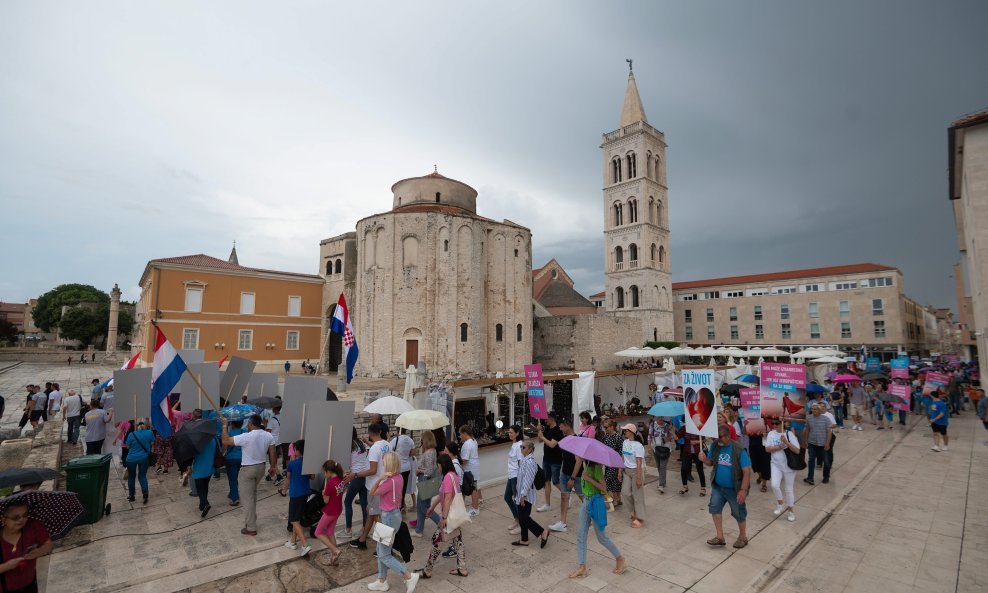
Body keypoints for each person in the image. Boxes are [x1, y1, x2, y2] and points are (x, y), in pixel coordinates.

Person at [365, 452, 419, 592]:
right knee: (380, 548)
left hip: (388, 517)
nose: (382, 464)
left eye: (384, 462)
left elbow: (372, 492)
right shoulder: (399, 477)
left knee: (384, 554)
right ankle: (382, 580)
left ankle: (408, 576)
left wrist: (379, 479)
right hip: (394, 515)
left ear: (389, 464)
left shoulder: (389, 482)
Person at [220, 414, 277, 536]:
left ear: (251, 424)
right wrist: (273, 466)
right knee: (251, 495)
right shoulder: (268, 435)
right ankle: (251, 519)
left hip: (248, 470)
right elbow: (272, 451)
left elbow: (225, 440)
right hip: (261, 468)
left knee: (247, 498)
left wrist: (224, 425)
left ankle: (251, 527)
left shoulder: (246, 436)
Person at [568, 459, 625, 579]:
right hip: (586, 503)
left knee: (601, 538)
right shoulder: (586, 465)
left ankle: (620, 558)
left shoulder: (597, 468)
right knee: (580, 535)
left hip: (595, 503)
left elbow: (603, 488)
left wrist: (589, 479)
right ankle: (582, 567)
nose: (576, 457)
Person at [699, 424, 752, 549]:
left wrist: (743, 490)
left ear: (728, 436)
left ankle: (743, 537)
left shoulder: (739, 449)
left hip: (735, 489)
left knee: (739, 513)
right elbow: (711, 462)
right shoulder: (716, 446)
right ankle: (720, 537)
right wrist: (705, 459)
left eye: (720, 437)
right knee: (714, 509)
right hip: (718, 487)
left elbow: (747, 471)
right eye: (716, 438)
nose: (717, 440)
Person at [418, 452, 467, 578]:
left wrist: (444, 518)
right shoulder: (453, 475)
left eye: (438, 465)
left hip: (449, 516)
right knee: (458, 540)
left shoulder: (447, 478)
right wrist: (432, 507)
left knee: (437, 541)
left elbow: (448, 497)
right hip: (455, 515)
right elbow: (442, 495)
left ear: (443, 465)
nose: (437, 468)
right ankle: (462, 569)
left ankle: (427, 570)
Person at [350, 423, 390, 550]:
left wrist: (356, 474)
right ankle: (363, 540)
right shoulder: (387, 444)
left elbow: (372, 470)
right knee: (372, 513)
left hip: (375, 486)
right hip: (385, 483)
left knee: (376, 515)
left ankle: (384, 545)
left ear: (370, 433)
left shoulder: (374, 449)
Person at [0, 499, 53, 593]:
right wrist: (7, 566)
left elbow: (48, 545)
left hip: (30, 584)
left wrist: (38, 552)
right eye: (15, 517)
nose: (21, 520)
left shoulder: (33, 526)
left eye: (25, 515)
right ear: (3, 519)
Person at [514, 439, 550, 548]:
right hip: (521, 493)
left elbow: (528, 480)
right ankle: (524, 539)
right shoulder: (525, 459)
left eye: (523, 447)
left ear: (530, 449)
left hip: (526, 495)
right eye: (521, 447)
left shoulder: (530, 462)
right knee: (522, 517)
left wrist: (523, 495)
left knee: (524, 518)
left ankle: (542, 532)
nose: (521, 449)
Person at [550, 419, 582, 532]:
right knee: (564, 497)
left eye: (561, 427)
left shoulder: (577, 440)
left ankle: (593, 518)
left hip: (576, 476)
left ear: (567, 426)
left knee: (583, 497)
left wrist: (572, 478)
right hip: (564, 474)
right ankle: (562, 523)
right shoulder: (564, 439)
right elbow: (565, 458)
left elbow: (578, 461)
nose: (560, 429)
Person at [765, 419, 800, 522]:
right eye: (773, 423)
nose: (775, 425)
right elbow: (767, 449)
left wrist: (786, 442)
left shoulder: (790, 434)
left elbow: (797, 450)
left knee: (788, 489)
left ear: (785, 423)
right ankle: (780, 503)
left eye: (777, 423)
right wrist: (779, 447)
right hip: (775, 464)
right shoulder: (771, 433)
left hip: (789, 466)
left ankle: (791, 511)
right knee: (774, 485)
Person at [315, 459, 346, 565]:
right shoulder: (341, 480)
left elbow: (326, 501)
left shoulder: (330, 483)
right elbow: (342, 491)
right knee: (330, 532)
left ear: (329, 471)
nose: (324, 474)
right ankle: (334, 558)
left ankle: (335, 550)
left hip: (330, 511)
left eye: (325, 471)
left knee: (318, 532)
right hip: (338, 510)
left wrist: (324, 493)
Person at [284, 440, 312, 556]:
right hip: (305, 493)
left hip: (295, 494)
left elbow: (288, 479)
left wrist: (284, 489)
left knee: (294, 520)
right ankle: (293, 541)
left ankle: (305, 545)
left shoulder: (292, 464)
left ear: (298, 450)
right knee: (297, 518)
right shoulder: (308, 463)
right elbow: (313, 477)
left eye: (295, 449)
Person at [413, 430, 440, 537]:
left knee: (424, 507)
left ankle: (441, 523)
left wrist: (419, 471)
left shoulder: (429, 453)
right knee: (421, 506)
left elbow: (429, 471)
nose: (421, 441)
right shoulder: (431, 450)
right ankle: (419, 530)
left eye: (422, 439)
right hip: (427, 481)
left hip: (425, 481)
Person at [619, 424, 646, 528]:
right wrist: (620, 471)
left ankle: (640, 518)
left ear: (632, 432)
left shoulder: (638, 445)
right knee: (625, 492)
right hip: (626, 471)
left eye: (626, 431)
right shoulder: (625, 442)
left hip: (636, 471)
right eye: (624, 431)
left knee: (638, 495)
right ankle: (632, 512)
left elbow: (639, 462)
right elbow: (622, 457)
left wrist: (639, 478)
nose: (624, 432)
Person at [344, 427, 369, 537]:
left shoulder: (349, 445)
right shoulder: (359, 443)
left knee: (347, 502)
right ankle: (364, 528)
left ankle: (348, 529)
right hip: (364, 475)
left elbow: (346, 461)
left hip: (356, 476)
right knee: (364, 503)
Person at [802, 403, 835, 485]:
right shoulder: (809, 418)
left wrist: (827, 443)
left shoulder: (826, 419)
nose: (813, 410)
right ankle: (810, 478)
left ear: (820, 410)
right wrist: (805, 441)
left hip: (823, 444)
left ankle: (826, 476)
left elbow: (829, 432)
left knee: (826, 462)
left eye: (815, 409)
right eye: (812, 409)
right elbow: (807, 430)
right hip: (812, 443)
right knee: (811, 460)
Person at [536, 413, 562, 512]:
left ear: (551, 419)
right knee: (546, 481)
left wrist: (542, 437)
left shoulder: (558, 430)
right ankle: (547, 504)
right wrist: (539, 430)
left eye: (546, 419)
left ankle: (566, 495)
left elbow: (552, 444)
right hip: (546, 459)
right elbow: (539, 441)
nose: (545, 421)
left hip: (555, 460)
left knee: (555, 481)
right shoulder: (547, 429)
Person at [192, 421, 218, 518]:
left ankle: (205, 503)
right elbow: (217, 451)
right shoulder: (213, 439)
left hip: (199, 468)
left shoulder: (196, 440)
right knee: (205, 486)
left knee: (199, 489)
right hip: (209, 467)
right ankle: (202, 505)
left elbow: (192, 454)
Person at [124, 420, 155, 504]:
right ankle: (145, 494)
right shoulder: (149, 432)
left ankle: (131, 496)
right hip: (143, 458)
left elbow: (127, 446)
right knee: (142, 476)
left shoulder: (131, 434)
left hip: (131, 459)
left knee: (131, 476)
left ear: (136, 426)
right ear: (146, 425)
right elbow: (152, 443)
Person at [502, 425, 523, 535]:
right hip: (511, 475)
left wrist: (520, 480)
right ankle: (517, 518)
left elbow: (521, 463)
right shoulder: (514, 444)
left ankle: (521, 524)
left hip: (516, 476)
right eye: (509, 432)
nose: (509, 434)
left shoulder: (519, 446)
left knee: (517, 500)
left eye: (511, 432)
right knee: (507, 497)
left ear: (517, 433)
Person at [458, 426, 482, 516]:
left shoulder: (467, 444)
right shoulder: (473, 440)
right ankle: (475, 508)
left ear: (465, 433)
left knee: (473, 488)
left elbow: (465, 460)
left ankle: (475, 509)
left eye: (461, 434)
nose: (460, 436)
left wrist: (457, 462)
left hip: (470, 468)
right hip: (474, 466)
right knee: (474, 487)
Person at [647, 415, 674, 494]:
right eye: (659, 419)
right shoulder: (653, 425)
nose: (661, 421)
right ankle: (663, 481)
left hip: (666, 449)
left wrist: (667, 438)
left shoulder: (667, 426)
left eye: (662, 419)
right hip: (656, 449)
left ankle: (661, 485)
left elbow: (672, 436)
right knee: (659, 466)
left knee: (662, 466)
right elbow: (649, 437)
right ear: (656, 419)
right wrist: (649, 447)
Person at [391, 428, 416, 513]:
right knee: (403, 488)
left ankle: (398, 507)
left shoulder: (396, 440)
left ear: (398, 430)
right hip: (407, 467)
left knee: (396, 488)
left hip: (398, 467)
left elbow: (390, 451)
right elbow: (412, 453)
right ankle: (402, 506)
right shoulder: (410, 440)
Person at [677, 425, 706, 496]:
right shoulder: (684, 427)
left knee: (700, 470)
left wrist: (697, 442)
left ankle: (703, 488)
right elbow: (678, 436)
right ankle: (685, 487)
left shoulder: (699, 427)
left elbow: (704, 439)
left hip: (698, 452)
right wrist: (672, 430)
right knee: (683, 469)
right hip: (687, 452)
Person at [601, 420, 624, 505]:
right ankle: (618, 498)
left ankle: (616, 499)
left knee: (616, 480)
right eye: (604, 427)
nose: (605, 429)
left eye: (606, 427)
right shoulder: (606, 436)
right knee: (611, 480)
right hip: (608, 462)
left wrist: (620, 467)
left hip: (616, 462)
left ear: (612, 427)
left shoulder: (618, 437)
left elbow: (621, 452)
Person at [224, 420, 243, 506]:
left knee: (232, 479)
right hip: (242, 458)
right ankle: (232, 492)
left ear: (233, 424)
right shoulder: (244, 432)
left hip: (231, 459)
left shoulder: (229, 433)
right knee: (236, 477)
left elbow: (224, 446)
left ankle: (235, 499)